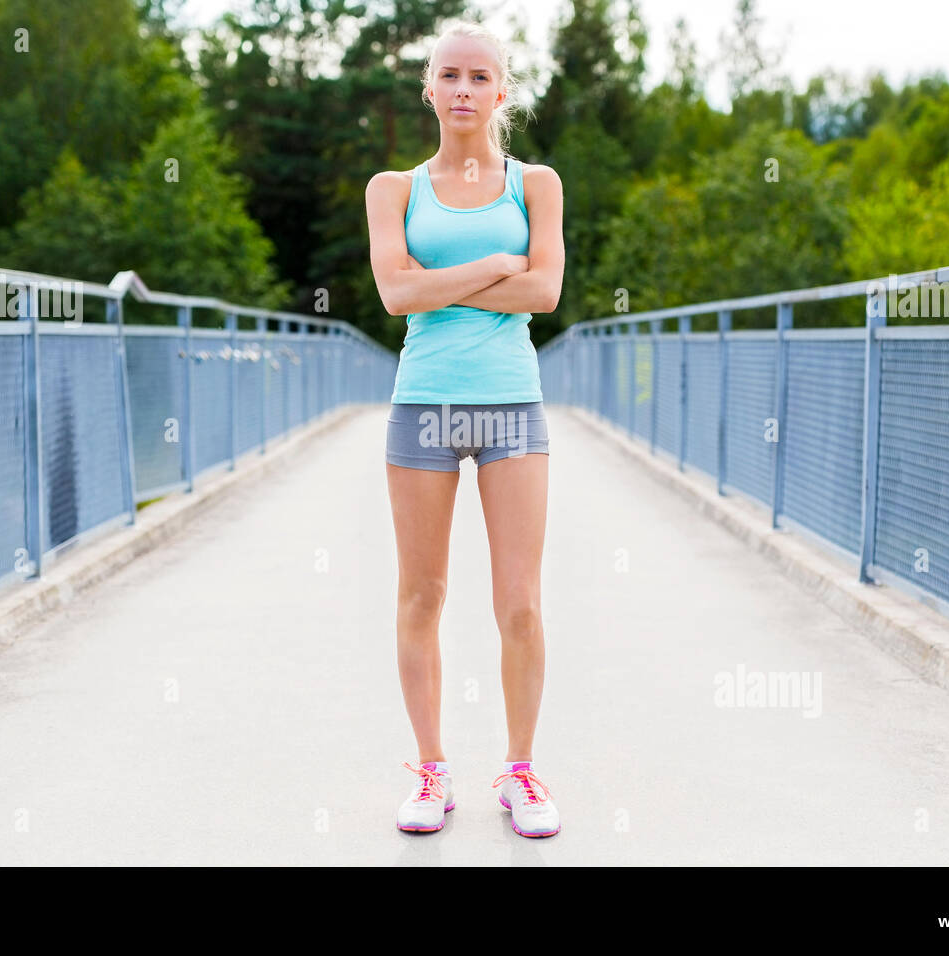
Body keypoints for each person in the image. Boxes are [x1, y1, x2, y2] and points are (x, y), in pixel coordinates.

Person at [364, 19, 565, 838]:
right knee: (422, 594)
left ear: (502, 92)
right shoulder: (394, 190)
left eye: (479, 77)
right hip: (424, 403)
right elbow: (393, 297)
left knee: (518, 601)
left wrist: (436, 282)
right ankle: (432, 772)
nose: (462, 90)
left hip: (512, 402)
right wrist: (493, 267)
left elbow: (546, 292)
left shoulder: (536, 183)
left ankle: (520, 771)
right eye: (449, 75)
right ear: (429, 88)